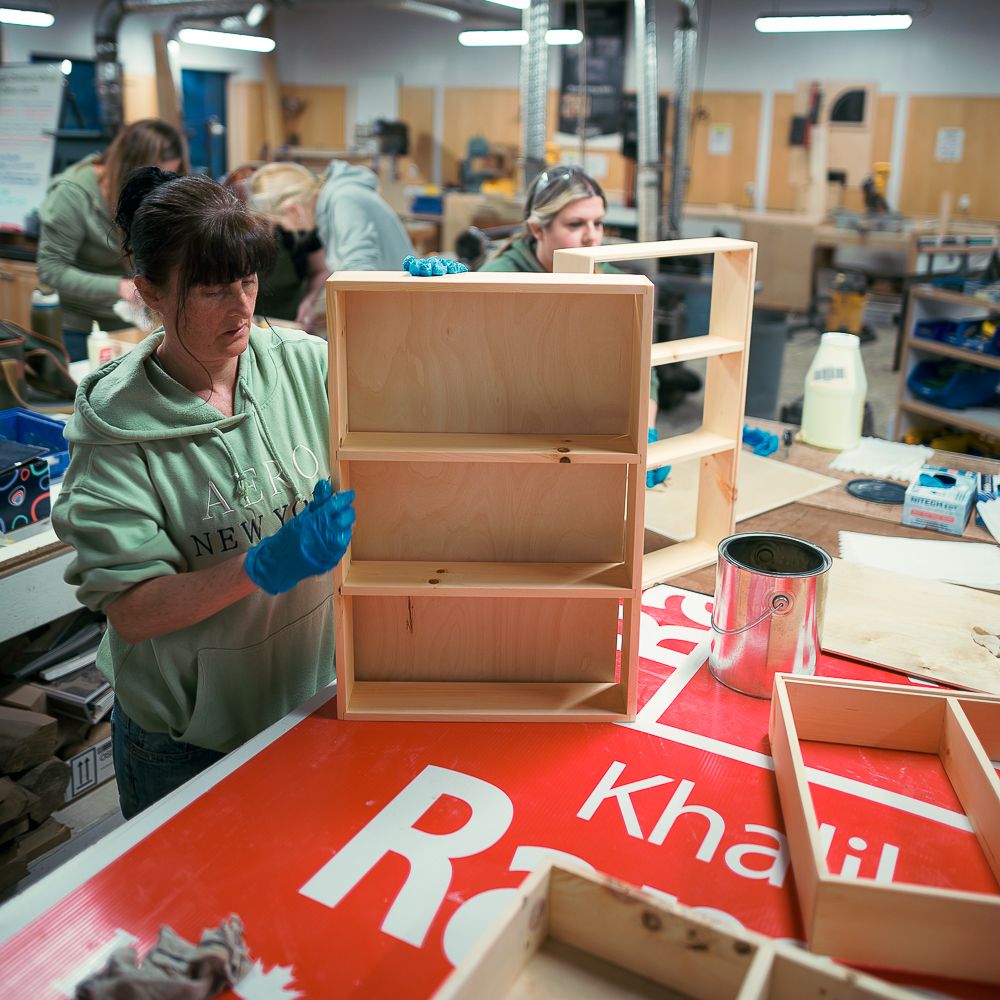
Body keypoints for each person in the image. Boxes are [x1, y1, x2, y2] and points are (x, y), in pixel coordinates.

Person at [51, 167, 356, 819]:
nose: (241, 307)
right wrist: (258, 566)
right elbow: (134, 611)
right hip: (188, 740)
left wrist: (430, 306)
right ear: (150, 293)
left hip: (308, 700)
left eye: (247, 280)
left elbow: (412, 400)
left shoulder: (302, 363)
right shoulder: (116, 426)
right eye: (213, 289)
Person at [480, 164, 662, 436]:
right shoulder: (496, 281)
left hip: (588, 427)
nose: (592, 237)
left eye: (598, 223)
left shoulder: (616, 283)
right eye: (575, 224)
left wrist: (646, 430)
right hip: (510, 427)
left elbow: (646, 370)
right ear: (537, 229)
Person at [36, 119, 187, 361]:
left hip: (136, 326)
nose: (156, 191)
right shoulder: (72, 194)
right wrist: (120, 288)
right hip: (84, 332)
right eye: (151, 182)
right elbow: (51, 269)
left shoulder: (148, 196)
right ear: (131, 169)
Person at [246, 159, 414, 273]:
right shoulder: (331, 205)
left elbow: (359, 272)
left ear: (292, 210)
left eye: (280, 223)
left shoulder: (344, 200)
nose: (287, 229)